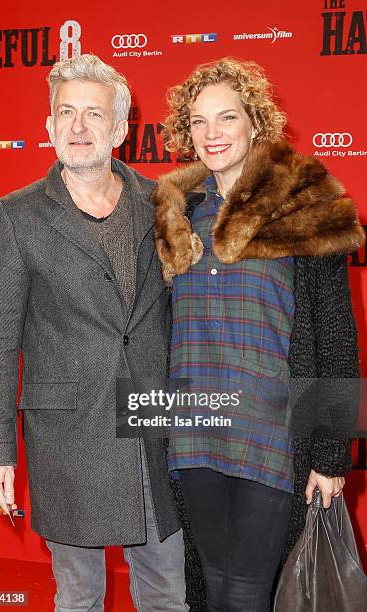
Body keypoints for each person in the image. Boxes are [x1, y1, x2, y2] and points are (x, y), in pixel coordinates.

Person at [0, 53, 188, 612]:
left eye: (94, 114)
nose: (77, 126)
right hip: (69, 436)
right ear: (48, 126)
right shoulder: (16, 216)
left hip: (154, 425)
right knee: (80, 597)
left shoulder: (162, 202)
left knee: (168, 594)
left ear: (119, 128)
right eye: (66, 112)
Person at [152, 57, 364, 612]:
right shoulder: (178, 216)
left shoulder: (305, 206)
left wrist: (332, 453)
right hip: (193, 435)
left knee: (246, 593)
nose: (212, 134)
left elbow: (337, 336)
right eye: (198, 122)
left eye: (227, 118)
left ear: (254, 123)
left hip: (271, 439)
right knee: (211, 588)